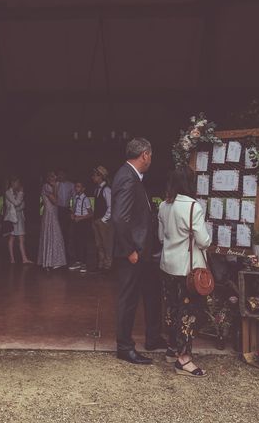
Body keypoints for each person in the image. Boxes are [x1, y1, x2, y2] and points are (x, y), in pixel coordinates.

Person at [112, 137, 164, 365]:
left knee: (152, 293)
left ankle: (153, 338)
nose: (151, 159)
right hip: (133, 253)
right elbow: (120, 218)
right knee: (128, 299)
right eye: (150, 155)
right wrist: (129, 250)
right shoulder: (127, 178)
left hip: (145, 252)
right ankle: (124, 347)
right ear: (144, 155)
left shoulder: (134, 177)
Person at [158, 165, 212, 377]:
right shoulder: (193, 207)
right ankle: (184, 360)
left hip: (167, 265)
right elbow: (203, 240)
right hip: (187, 269)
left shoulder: (164, 205)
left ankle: (172, 349)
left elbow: (161, 237)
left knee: (172, 309)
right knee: (188, 314)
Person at [37, 171, 67, 270]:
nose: (53, 179)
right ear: (48, 178)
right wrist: (55, 187)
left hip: (53, 213)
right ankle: (49, 261)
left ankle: (54, 260)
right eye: (51, 177)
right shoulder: (46, 187)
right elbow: (55, 201)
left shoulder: (50, 186)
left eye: (54, 177)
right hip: (50, 214)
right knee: (52, 234)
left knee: (54, 235)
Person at [4, 177, 33, 265]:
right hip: (12, 218)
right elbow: (16, 203)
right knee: (12, 238)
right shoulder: (8, 192)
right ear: (13, 183)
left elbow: (22, 205)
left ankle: (24, 259)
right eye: (17, 183)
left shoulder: (17, 192)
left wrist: (19, 204)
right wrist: (21, 193)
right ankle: (12, 258)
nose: (19, 185)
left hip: (20, 218)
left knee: (21, 239)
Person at [91, 166, 114, 273]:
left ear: (100, 176)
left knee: (106, 243)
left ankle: (107, 265)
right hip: (96, 220)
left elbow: (111, 206)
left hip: (103, 221)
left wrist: (103, 219)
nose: (92, 177)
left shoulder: (107, 189)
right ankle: (101, 264)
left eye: (95, 175)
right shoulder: (97, 189)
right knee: (98, 244)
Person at [68, 181, 93, 272]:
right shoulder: (75, 197)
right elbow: (74, 209)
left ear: (83, 189)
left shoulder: (85, 199)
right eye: (76, 186)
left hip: (83, 222)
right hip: (76, 222)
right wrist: (72, 214)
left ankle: (84, 263)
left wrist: (81, 218)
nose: (76, 188)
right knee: (76, 242)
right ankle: (78, 261)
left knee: (83, 242)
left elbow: (91, 214)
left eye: (78, 186)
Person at [56, 169, 75, 265]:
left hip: (67, 210)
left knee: (67, 232)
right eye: (59, 174)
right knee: (58, 231)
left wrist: (73, 209)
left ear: (65, 175)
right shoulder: (56, 185)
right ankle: (58, 253)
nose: (61, 176)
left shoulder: (71, 185)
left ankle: (67, 254)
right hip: (58, 210)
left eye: (62, 174)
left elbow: (74, 197)